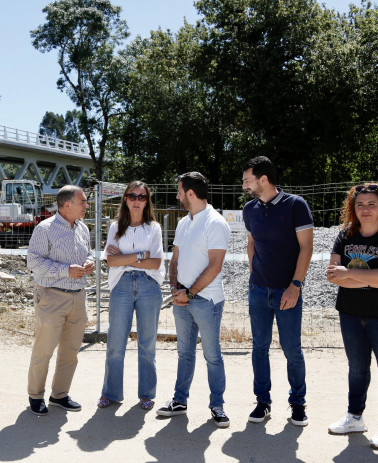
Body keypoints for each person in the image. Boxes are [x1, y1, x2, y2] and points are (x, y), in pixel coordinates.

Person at [326, 183, 378, 450]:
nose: (365, 209)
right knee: (357, 369)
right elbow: (333, 276)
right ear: (353, 208)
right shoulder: (345, 235)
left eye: (372, 204)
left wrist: (349, 274)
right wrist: (368, 279)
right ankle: (354, 417)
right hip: (350, 313)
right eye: (360, 204)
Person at [241, 156, 313, 426]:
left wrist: (295, 286)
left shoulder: (296, 205)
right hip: (258, 291)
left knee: (292, 349)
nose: (245, 185)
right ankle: (263, 402)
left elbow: (306, 247)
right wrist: (253, 274)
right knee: (259, 348)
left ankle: (297, 403)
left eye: (248, 180)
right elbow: (251, 243)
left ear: (263, 179)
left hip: (287, 291)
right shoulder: (250, 209)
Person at [156, 172, 232, 428]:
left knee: (212, 355)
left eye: (179, 191)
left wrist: (188, 293)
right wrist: (176, 289)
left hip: (206, 301)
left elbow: (215, 266)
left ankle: (217, 405)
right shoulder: (184, 222)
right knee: (184, 354)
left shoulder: (215, 222)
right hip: (183, 299)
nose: (177, 196)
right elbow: (175, 259)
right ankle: (180, 401)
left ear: (190, 193)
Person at [26, 185, 95, 416]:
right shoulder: (44, 229)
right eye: (83, 201)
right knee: (44, 350)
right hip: (51, 296)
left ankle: (59, 395)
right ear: (67, 205)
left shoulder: (83, 228)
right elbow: (33, 263)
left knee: (70, 351)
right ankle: (36, 396)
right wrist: (66, 271)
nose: (87, 205)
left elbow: (87, 253)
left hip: (79, 297)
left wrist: (89, 263)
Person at [97, 181, 164, 411]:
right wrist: (139, 255)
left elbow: (155, 263)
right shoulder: (116, 227)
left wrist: (126, 257)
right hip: (121, 285)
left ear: (147, 201)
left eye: (142, 197)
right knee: (116, 342)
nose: (137, 200)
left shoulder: (154, 228)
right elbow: (111, 261)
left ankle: (146, 394)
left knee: (147, 343)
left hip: (148, 285)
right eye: (132, 196)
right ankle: (111, 393)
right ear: (125, 199)